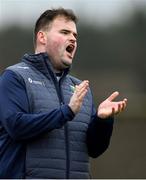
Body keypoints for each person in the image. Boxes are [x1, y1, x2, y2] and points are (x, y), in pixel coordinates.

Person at [0, 8, 127, 179]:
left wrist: (102, 121)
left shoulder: (80, 88)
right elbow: (16, 127)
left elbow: (94, 149)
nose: (73, 38)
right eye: (65, 32)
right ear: (42, 37)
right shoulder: (15, 77)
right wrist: (66, 112)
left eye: (75, 35)